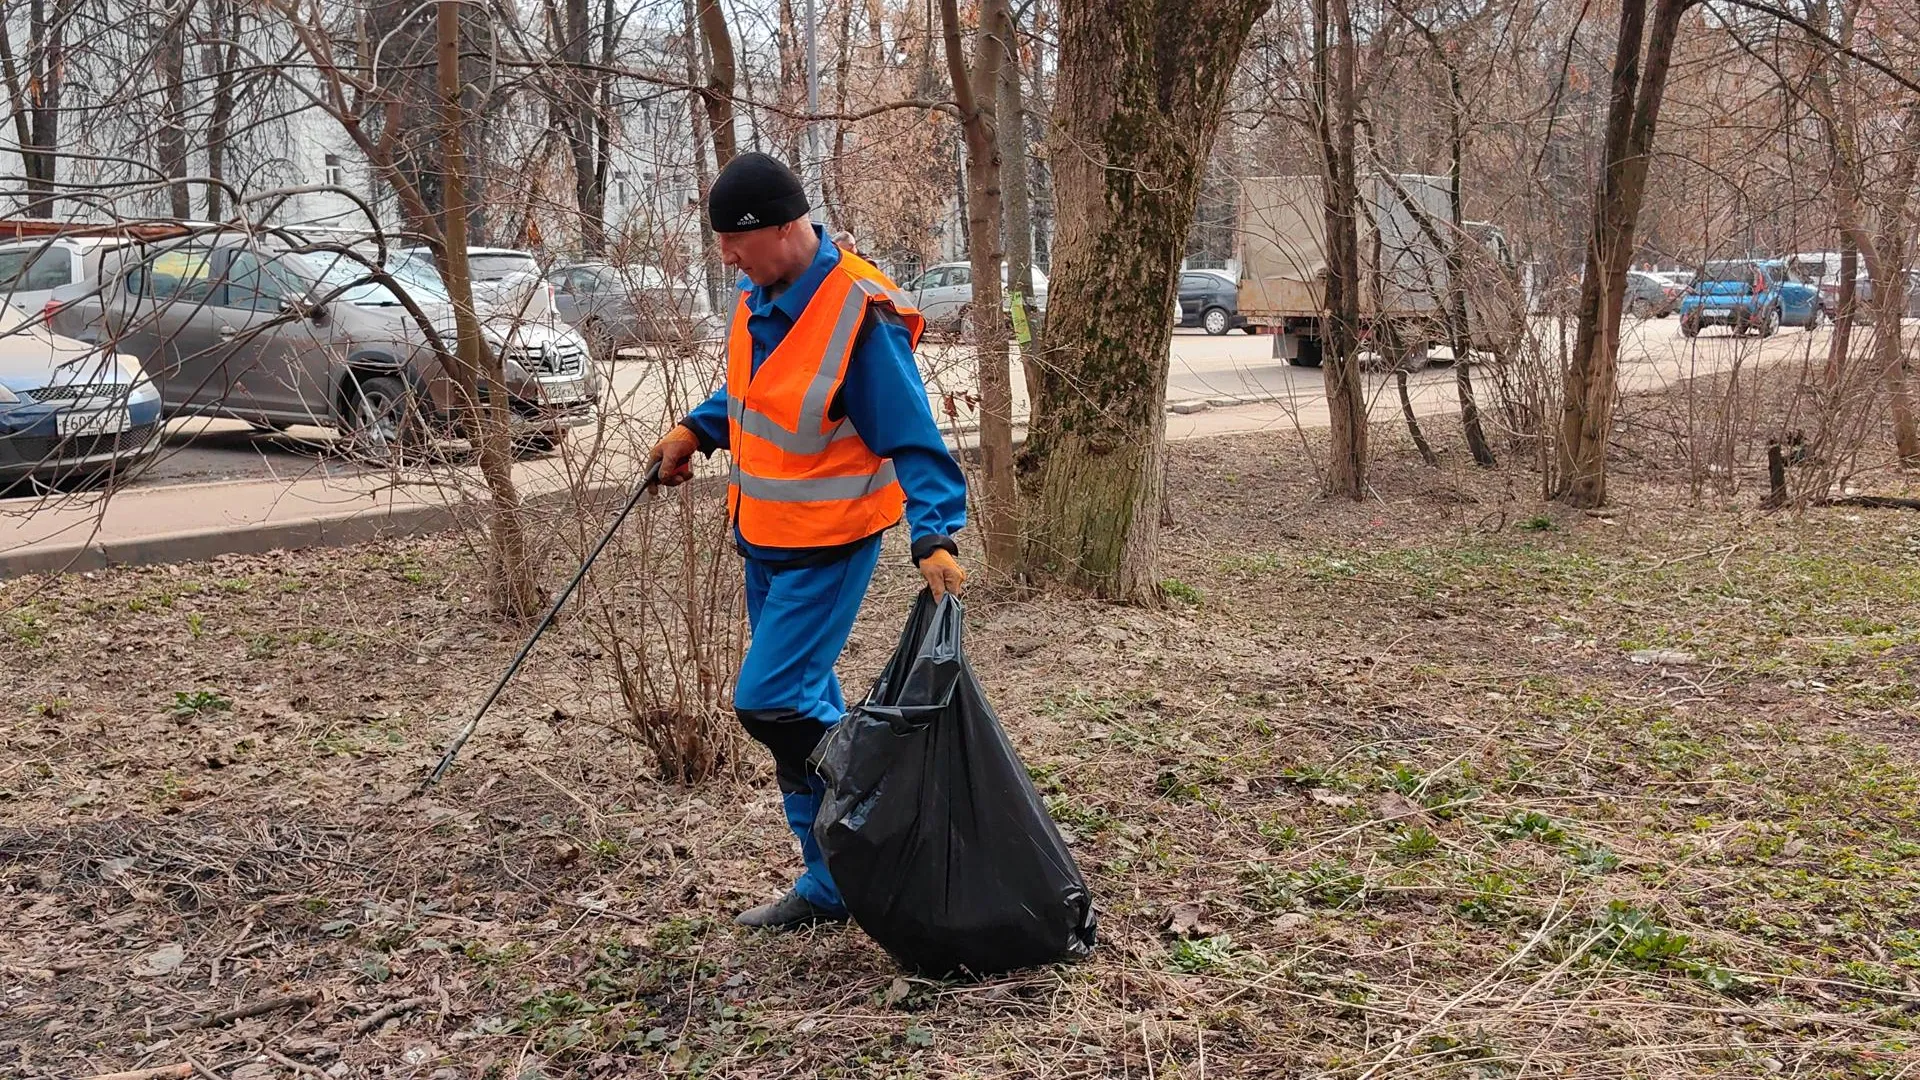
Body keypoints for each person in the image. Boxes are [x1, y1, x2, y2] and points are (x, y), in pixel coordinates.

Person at [647, 152, 969, 931]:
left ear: (786, 228)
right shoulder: (758, 297)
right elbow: (757, 394)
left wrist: (935, 533)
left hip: (830, 542)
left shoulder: (859, 313)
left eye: (736, 240)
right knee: (805, 703)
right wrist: (697, 429)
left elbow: (912, 434)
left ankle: (884, 812)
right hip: (763, 539)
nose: (726, 256)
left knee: (770, 703)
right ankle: (833, 884)